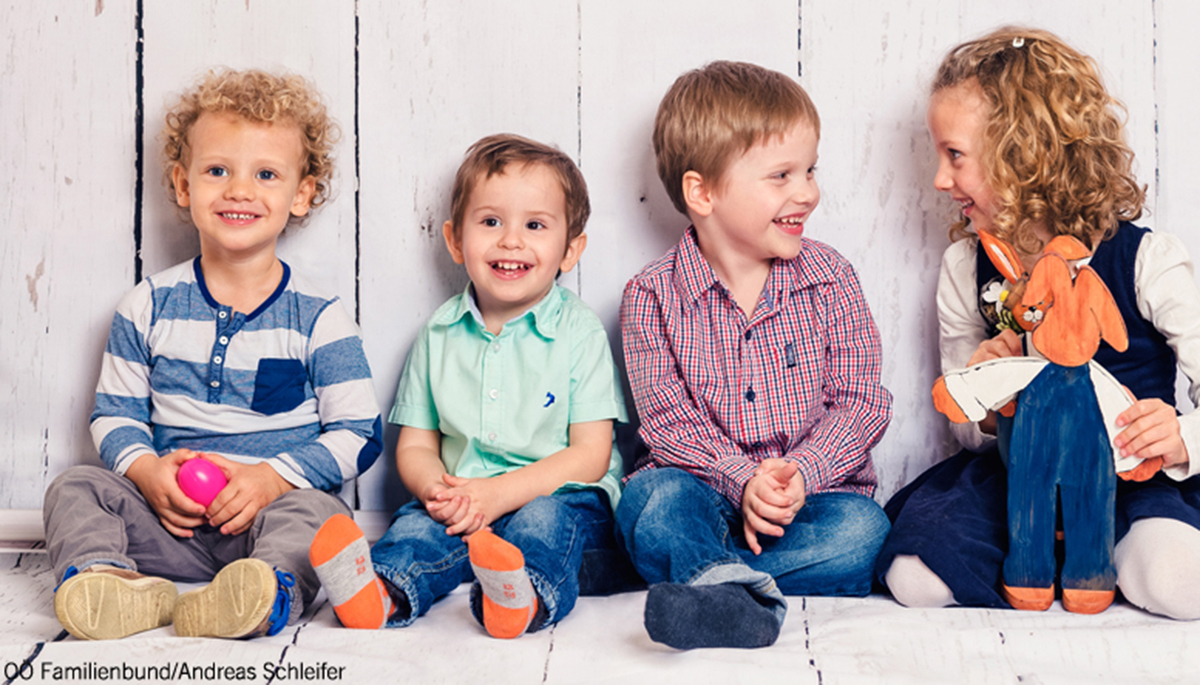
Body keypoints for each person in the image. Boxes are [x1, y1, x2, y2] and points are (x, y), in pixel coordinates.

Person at [43, 68, 383, 641]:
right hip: (167, 526)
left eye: (266, 174)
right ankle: (109, 584)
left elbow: (360, 432)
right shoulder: (148, 305)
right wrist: (149, 474)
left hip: (266, 523)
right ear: (183, 184)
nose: (239, 190)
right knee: (74, 488)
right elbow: (115, 415)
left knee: (322, 516)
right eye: (217, 170)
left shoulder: (318, 319)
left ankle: (260, 591)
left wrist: (271, 480)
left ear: (301, 194)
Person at [878, 26, 1200, 619]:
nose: (939, 181)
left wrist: (1184, 435)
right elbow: (967, 434)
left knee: (1179, 583)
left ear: (1025, 154)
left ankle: (1105, 551)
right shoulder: (964, 267)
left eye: (954, 156)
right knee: (915, 578)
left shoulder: (1147, 260)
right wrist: (987, 399)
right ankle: (1045, 558)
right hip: (1016, 476)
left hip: (1132, 474)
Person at [616, 60, 893, 650]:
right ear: (703, 191)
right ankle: (735, 590)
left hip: (810, 503)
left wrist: (802, 474)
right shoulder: (651, 295)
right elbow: (668, 425)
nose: (808, 192)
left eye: (810, 170)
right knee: (650, 502)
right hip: (704, 492)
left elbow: (862, 402)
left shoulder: (830, 278)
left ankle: (706, 579)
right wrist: (741, 481)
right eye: (782, 175)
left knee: (864, 532)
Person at [309, 134, 630, 639]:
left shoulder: (578, 331)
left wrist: (500, 494)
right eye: (490, 222)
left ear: (571, 250)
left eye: (535, 225)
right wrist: (437, 489)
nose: (510, 241)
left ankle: (522, 601)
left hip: (561, 498)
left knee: (542, 527)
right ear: (456, 239)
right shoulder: (438, 334)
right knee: (416, 528)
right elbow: (415, 444)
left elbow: (590, 455)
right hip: (465, 498)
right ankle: (381, 593)